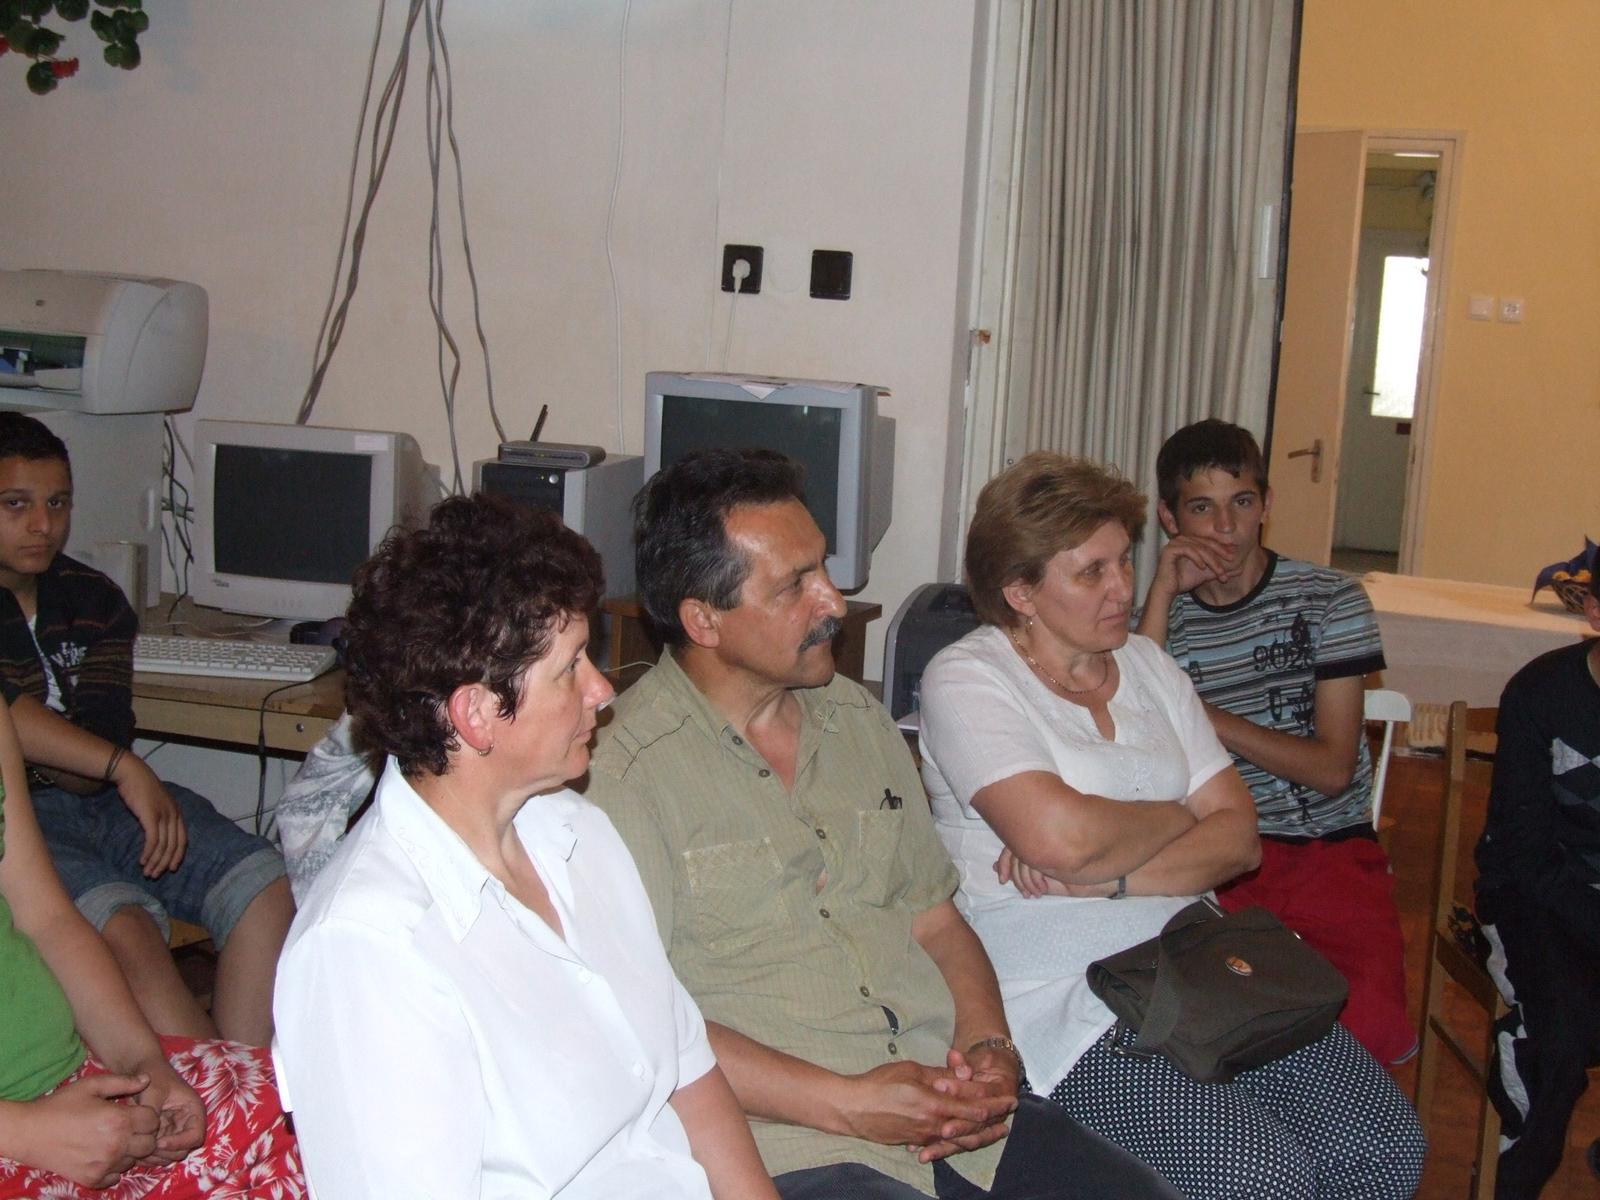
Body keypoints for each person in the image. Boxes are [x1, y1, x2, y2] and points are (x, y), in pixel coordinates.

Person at [585, 448, 1180, 1200]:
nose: (833, 602)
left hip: (952, 1107)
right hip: (792, 1145)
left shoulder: (858, 720)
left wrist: (990, 1046)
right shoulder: (623, 774)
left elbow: (935, 917)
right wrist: (850, 1103)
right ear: (704, 620)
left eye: (823, 569)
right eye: (795, 585)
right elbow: (636, 1023)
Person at [918, 451, 1426, 1199]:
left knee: (1384, 1147)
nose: (1123, 588)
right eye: (1091, 573)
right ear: (1020, 592)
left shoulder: (1151, 668)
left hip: (1196, 958)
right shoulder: (968, 677)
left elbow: (1238, 837)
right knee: (1258, 1177)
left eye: (1125, 560)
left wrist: (1110, 878)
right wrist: (1180, 810)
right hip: (1059, 985)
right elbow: (1061, 840)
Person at [272, 493, 778, 1200]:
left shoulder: (577, 833)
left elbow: (690, 1079)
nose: (602, 690)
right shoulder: (367, 949)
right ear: (476, 714)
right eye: (570, 668)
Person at [0, 412, 292, 1046]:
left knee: (263, 882)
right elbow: (9, 718)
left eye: (57, 503)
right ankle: (209, 1090)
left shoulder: (94, 597)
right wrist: (118, 765)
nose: (42, 524)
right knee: (124, 927)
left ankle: (243, 1073)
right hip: (19, 818)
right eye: (15, 504)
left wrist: (100, 763)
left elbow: (104, 731)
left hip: (107, 799)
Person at [1133, 418, 1413, 1065]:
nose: (1226, 528)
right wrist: (1162, 593)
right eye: (1201, 509)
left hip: (1327, 847)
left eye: (1242, 502)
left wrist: (1197, 712)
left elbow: (1333, 770)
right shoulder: (1158, 620)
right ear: (1170, 520)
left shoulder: (1329, 599)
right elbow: (1135, 738)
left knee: (1367, 1024)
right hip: (1212, 845)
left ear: (1267, 504)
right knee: (1199, 1025)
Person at [0, 693, 305, 1199]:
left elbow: (47, 920)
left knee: (309, 1125)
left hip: (68, 1078)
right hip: (19, 1131)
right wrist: (27, 1133)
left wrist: (143, 1062)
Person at [1476, 563, 1600, 1197]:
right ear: (1595, 612)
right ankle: (1518, 1174)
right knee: (1562, 1034)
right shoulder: (1541, 691)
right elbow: (1522, 853)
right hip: (1530, 896)